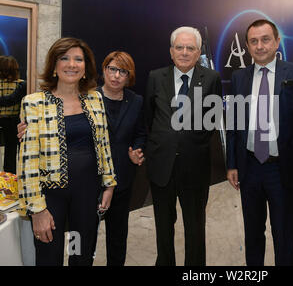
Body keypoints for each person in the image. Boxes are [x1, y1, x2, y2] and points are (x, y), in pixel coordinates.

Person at [226, 19, 293, 266]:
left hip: (284, 170)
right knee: (253, 234)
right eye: (254, 41)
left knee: (285, 236)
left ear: (277, 41)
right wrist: (232, 164)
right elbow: (234, 125)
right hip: (249, 168)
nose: (260, 46)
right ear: (246, 45)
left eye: (265, 39)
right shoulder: (238, 77)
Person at [17, 37, 117, 266]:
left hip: (86, 194)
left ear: (85, 68)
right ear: (54, 66)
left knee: (80, 255)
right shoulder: (34, 103)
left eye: (78, 59)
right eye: (64, 58)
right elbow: (27, 161)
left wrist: (109, 184)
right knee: (49, 257)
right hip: (50, 198)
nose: (72, 64)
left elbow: (103, 145)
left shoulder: (95, 99)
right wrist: (36, 210)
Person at [145, 26, 222, 266]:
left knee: (195, 227)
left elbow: (214, 118)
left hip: (195, 167)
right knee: (163, 227)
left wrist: (191, 141)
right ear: (171, 51)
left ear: (198, 52)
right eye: (180, 47)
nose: (185, 52)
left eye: (190, 48)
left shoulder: (211, 78)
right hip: (162, 166)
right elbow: (149, 118)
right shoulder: (156, 77)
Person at [97, 51, 146, 265]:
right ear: (105, 70)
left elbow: (141, 133)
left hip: (123, 178)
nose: (116, 75)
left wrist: (137, 150)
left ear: (129, 76)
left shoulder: (136, 101)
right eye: (112, 69)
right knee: (84, 237)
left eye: (122, 71)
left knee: (117, 237)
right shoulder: (89, 98)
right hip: (92, 180)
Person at [0, 55, 26, 173]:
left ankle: (7, 177)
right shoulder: (22, 84)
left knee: (8, 150)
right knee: (17, 149)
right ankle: (17, 175)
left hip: (3, 120)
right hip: (16, 120)